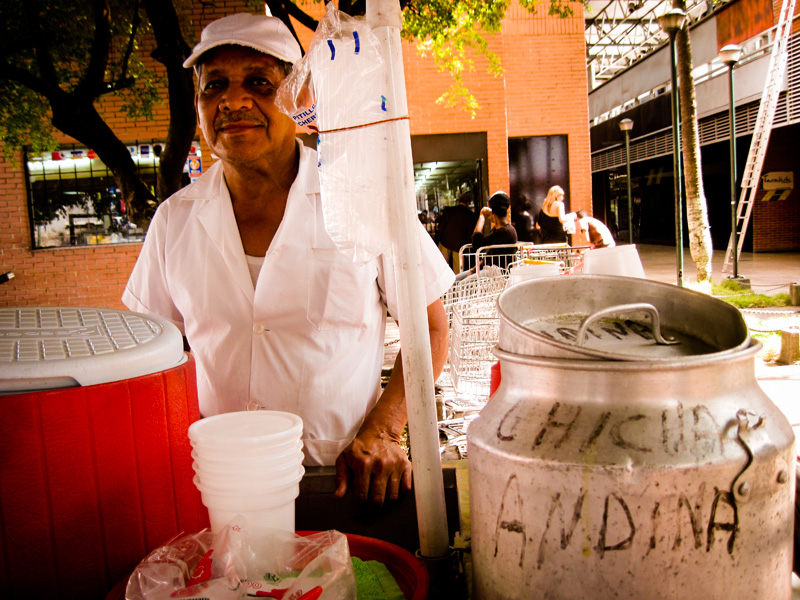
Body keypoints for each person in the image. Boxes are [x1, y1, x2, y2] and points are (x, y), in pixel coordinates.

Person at [121, 14, 455, 510]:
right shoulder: (174, 220)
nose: (233, 101)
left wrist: (385, 430)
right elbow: (148, 357)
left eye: (259, 82)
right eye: (215, 86)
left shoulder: (362, 197)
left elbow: (429, 327)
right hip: (221, 490)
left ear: (298, 96)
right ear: (198, 106)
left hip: (344, 483)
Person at [470, 190, 518, 271]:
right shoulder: (501, 230)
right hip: (490, 270)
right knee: (458, 277)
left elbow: (477, 242)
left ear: (492, 211)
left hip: (497, 273)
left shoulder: (504, 232)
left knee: (462, 279)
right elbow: (489, 254)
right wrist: (474, 269)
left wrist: (482, 216)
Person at [436, 191, 478, 273]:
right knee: (458, 270)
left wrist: (439, 239)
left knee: (441, 267)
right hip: (459, 245)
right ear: (468, 203)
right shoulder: (470, 215)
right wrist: (467, 250)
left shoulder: (448, 210)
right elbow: (469, 233)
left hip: (445, 241)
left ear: (459, 201)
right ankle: (457, 281)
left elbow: (441, 227)